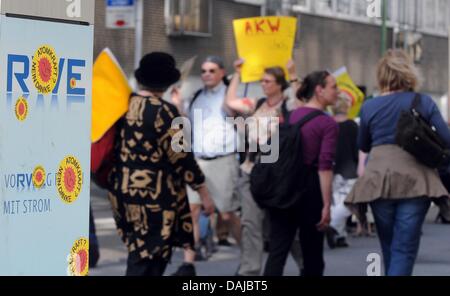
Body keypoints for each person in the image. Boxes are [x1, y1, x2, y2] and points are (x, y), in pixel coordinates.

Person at [107, 52, 214, 276]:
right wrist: (203, 192)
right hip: (156, 199)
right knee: (151, 260)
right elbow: (182, 158)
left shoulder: (123, 106)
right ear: (167, 83)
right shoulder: (165, 111)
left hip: (123, 193)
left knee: (137, 252)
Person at [346, 49, 450, 276]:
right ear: (410, 74)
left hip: (378, 180)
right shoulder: (423, 102)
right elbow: (446, 137)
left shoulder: (369, 107)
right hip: (416, 178)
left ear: (381, 75)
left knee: (389, 245)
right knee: (405, 247)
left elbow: (363, 145)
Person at [225, 59, 304, 276]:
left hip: (278, 173)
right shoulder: (257, 104)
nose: (263, 84)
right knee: (250, 223)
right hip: (252, 169)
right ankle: (249, 271)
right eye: (262, 81)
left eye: (268, 81)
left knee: (284, 226)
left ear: (280, 84)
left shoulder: (287, 105)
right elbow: (231, 102)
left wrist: (293, 73)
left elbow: (303, 104)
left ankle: (307, 263)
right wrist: (237, 74)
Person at [263, 70, 339, 276]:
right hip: (310, 190)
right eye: (334, 87)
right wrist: (326, 205)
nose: (338, 92)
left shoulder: (292, 115)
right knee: (312, 253)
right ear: (319, 90)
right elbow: (325, 166)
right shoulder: (327, 123)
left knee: (277, 251)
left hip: (283, 186)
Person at [171, 56, 241, 275]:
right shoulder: (197, 96)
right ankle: (188, 263)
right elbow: (187, 126)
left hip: (222, 161)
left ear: (222, 72)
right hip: (199, 160)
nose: (206, 74)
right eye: (203, 71)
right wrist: (179, 107)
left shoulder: (228, 96)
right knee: (191, 210)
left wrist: (238, 75)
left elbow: (231, 109)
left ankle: (249, 256)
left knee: (227, 214)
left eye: (211, 70)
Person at [326, 95, 359, 248]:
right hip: (349, 167)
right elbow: (357, 149)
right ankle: (333, 225)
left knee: (335, 201)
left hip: (332, 167)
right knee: (349, 202)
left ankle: (339, 235)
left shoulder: (328, 125)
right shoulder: (353, 126)